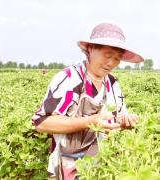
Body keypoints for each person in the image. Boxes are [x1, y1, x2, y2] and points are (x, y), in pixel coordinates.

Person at [31, 23, 143, 179]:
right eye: (107, 55)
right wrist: (90, 121)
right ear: (90, 49)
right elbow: (42, 123)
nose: (111, 63)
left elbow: (117, 118)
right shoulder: (70, 78)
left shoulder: (113, 84)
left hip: (102, 167)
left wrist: (126, 121)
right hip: (67, 167)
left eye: (117, 59)